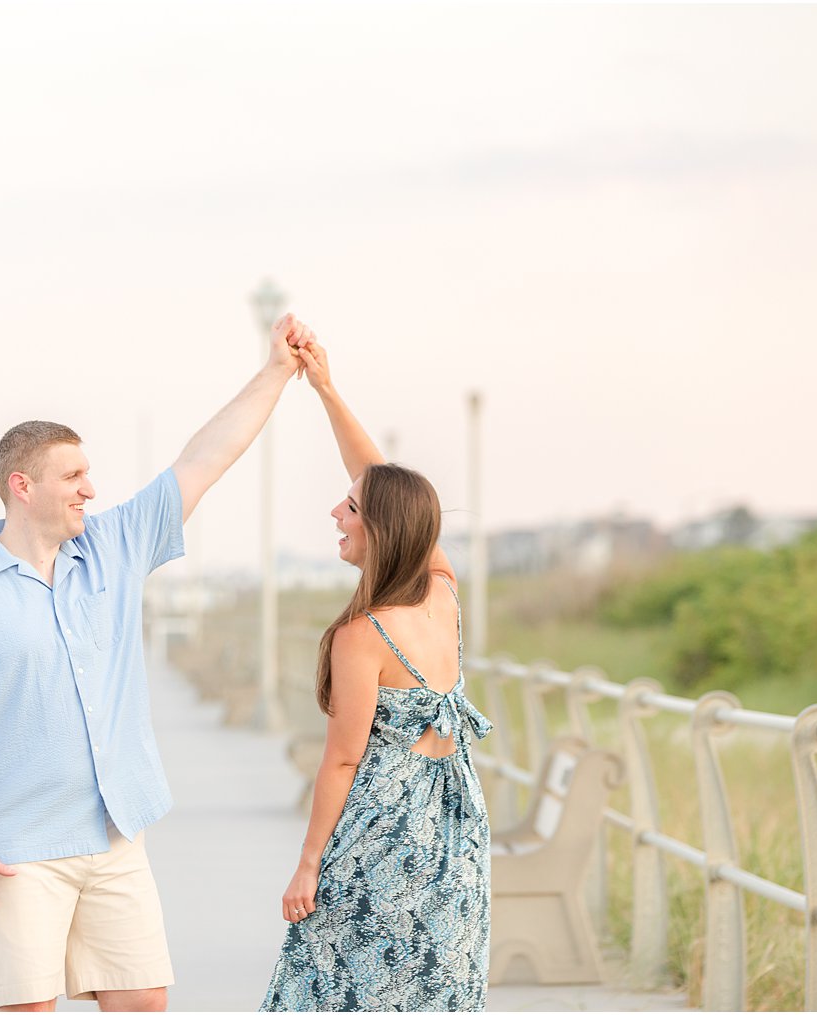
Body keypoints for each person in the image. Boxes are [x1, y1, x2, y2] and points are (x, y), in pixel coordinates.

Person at [0, 313, 310, 1013]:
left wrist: (275, 371)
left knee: (144, 1001)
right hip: (14, 845)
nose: (91, 487)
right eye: (74, 475)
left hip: (116, 831)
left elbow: (203, 459)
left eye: (90, 473)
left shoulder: (114, 549)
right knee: (29, 1008)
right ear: (22, 486)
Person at [261, 330, 493, 1012]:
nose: (337, 513)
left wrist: (308, 863)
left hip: (383, 832)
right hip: (455, 828)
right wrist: (327, 390)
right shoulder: (444, 596)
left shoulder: (363, 636)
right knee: (432, 989)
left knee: (334, 986)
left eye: (351, 509)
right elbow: (390, 491)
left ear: (381, 530)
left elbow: (341, 761)